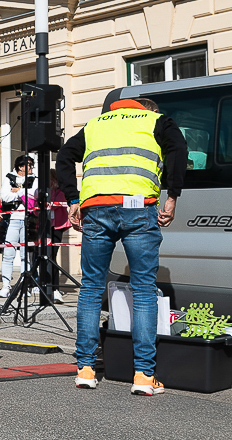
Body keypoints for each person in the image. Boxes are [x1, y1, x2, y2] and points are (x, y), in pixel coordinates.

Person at [56, 96, 186, 395]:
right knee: (143, 290)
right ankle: (143, 375)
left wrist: (73, 199)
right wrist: (172, 196)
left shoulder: (95, 125)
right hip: (138, 207)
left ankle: (85, 369)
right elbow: (178, 150)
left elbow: (64, 156)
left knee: (91, 288)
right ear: (149, 110)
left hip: (96, 209)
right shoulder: (157, 121)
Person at [0, 155, 36, 298]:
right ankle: (6, 286)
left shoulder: (35, 179)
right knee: (8, 254)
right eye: (29, 165)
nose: (31, 167)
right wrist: (23, 195)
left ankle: (25, 286)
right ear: (20, 167)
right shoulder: (9, 178)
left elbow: (33, 197)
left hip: (28, 220)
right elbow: (5, 196)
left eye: (32, 165)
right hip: (11, 220)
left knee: (26, 255)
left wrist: (18, 191)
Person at [45, 169, 70, 304]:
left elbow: (55, 204)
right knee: (45, 257)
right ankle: (46, 285)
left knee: (52, 256)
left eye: (50, 179)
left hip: (57, 226)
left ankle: (55, 288)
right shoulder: (43, 191)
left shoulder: (61, 191)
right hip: (45, 226)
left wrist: (50, 194)